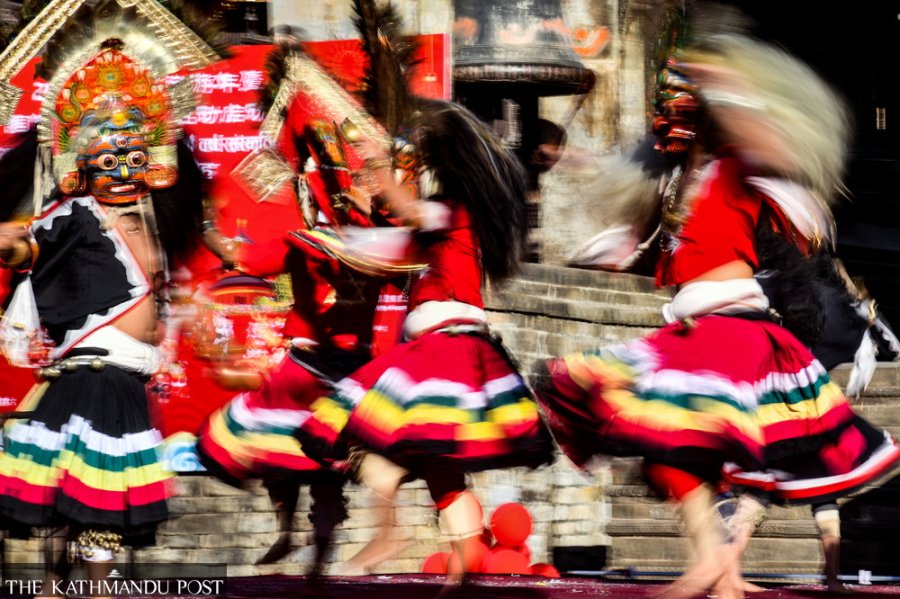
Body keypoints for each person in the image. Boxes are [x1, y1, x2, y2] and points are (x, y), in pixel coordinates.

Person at [534, 21, 900, 599]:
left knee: (663, 438)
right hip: (695, 330)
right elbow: (646, 234)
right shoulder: (680, 184)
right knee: (669, 449)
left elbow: (774, 149)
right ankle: (721, 573)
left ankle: (713, 562)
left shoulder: (738, 163)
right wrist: (609, 235)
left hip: (732, 334)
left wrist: (725, 79)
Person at [292, 99, 554, 588]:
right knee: (435, 465)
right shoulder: (439, 225)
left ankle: (416, 547)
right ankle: (461, 566)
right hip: (439, 348)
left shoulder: (453, 211)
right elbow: (383, 248)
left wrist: (376, 165)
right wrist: (328, 234)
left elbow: (407, 210)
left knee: (375, 434)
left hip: (448, 350)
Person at [0, 39, 206, 591]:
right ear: (82, 166)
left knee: (88, 501)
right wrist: (11, 243)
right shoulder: (72, 216)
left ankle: (66, 588)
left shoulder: (155, 223)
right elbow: (24, 248)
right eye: (109, 161)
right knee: (90, 504)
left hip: (125, 381)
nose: (123, 171)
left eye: (134, 159)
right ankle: (86, 589)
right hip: (90, 376)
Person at [195, 119, 387, 575]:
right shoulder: (373, 244)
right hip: (331, 369)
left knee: (303, 463)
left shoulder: (337, 243)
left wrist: (201, 221)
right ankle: (305, 552)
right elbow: (239, 257)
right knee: (304, 464)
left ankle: (304, 550)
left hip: (330, 372)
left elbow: (235, 255)